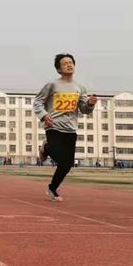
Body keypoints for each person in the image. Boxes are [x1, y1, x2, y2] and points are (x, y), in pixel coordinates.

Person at [33, 53, 97, 202]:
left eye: (71, 62)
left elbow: (84, 110)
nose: (69, 65)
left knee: (67, 165)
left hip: (70, 129)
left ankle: (52, 189)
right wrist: (43, 115)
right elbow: (37, 102)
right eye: (65, 63)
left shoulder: (80, 87)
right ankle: (46, 148)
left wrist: (90, 104)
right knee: (58, 155)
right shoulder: (52, 85)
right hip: (53, 126)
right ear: (58, 69)